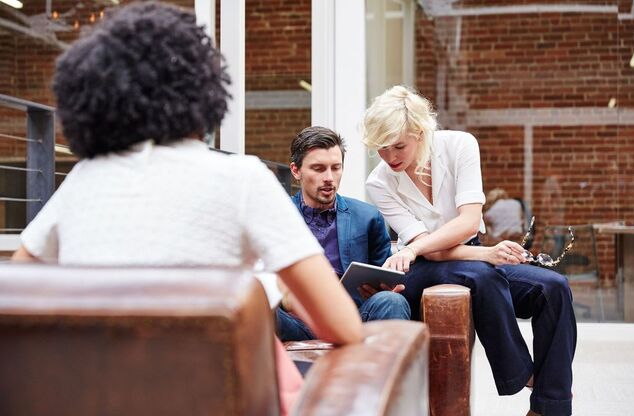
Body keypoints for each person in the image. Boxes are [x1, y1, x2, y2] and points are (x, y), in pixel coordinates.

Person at [10, 3, 362, 414]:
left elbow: (18, 298)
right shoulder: (243, 177)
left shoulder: (84, 179)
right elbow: (343, 325)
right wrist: (279, 286)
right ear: (205, 89)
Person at [361, 85, 576, 416]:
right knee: (482, 275)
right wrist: (483, 254)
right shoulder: (379, 182)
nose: (390, 157)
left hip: (469, 255)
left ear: (419, 131)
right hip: (422, 268)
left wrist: (485, 254)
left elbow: (468, 222)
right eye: (381, 149)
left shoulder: (460, 145)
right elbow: (430, 253)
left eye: (398, 146)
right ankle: (522, 373)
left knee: (554, 287)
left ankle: (549, 407)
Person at [275, 126, 410, 342]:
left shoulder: (367, 217)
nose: (329, 177)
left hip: (354, 317)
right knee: (260, 309)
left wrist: (383, 289)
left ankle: (386, 376)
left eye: (336, 168)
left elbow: (384, 274)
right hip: (295, 322)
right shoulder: (277, 216)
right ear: (296, 171)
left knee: (391, 301)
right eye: (318, 169)